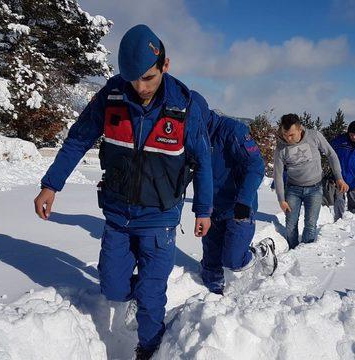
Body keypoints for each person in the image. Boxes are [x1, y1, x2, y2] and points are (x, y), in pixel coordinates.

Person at [33, 24, 214, 360]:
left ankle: (149, 347)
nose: (140, 87)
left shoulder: (185, 106)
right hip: (117, 213)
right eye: (132, 78)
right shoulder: (112, 95)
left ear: (165, 65)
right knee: (113, 287)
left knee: (151, 294)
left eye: (148, 77)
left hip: (159, 217)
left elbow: (202, 161)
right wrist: (50, 184)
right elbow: (78, 138)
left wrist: (203, 210)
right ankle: (136, 297)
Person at [201, 115, 277, 295]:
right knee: (211, 269)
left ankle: (261, 250)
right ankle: (214, 298)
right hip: (212, 207)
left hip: (238, 207)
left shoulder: (232, 130)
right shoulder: (192, 135)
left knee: (233, 260)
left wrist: (244, 201)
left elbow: (256, 165)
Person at [273, 114, 348, 250]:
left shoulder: (314, 136)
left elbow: (331, 154)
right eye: (284, 134)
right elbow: (277, 174)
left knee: (310, 224)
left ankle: (304, 252)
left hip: (315, 189)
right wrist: (281, 199)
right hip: (293, 189)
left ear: (300, 129)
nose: (287, 138)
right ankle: (292, 249)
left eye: (291, 135)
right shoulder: (281, 148)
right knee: (290, 225)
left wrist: (339, 177)